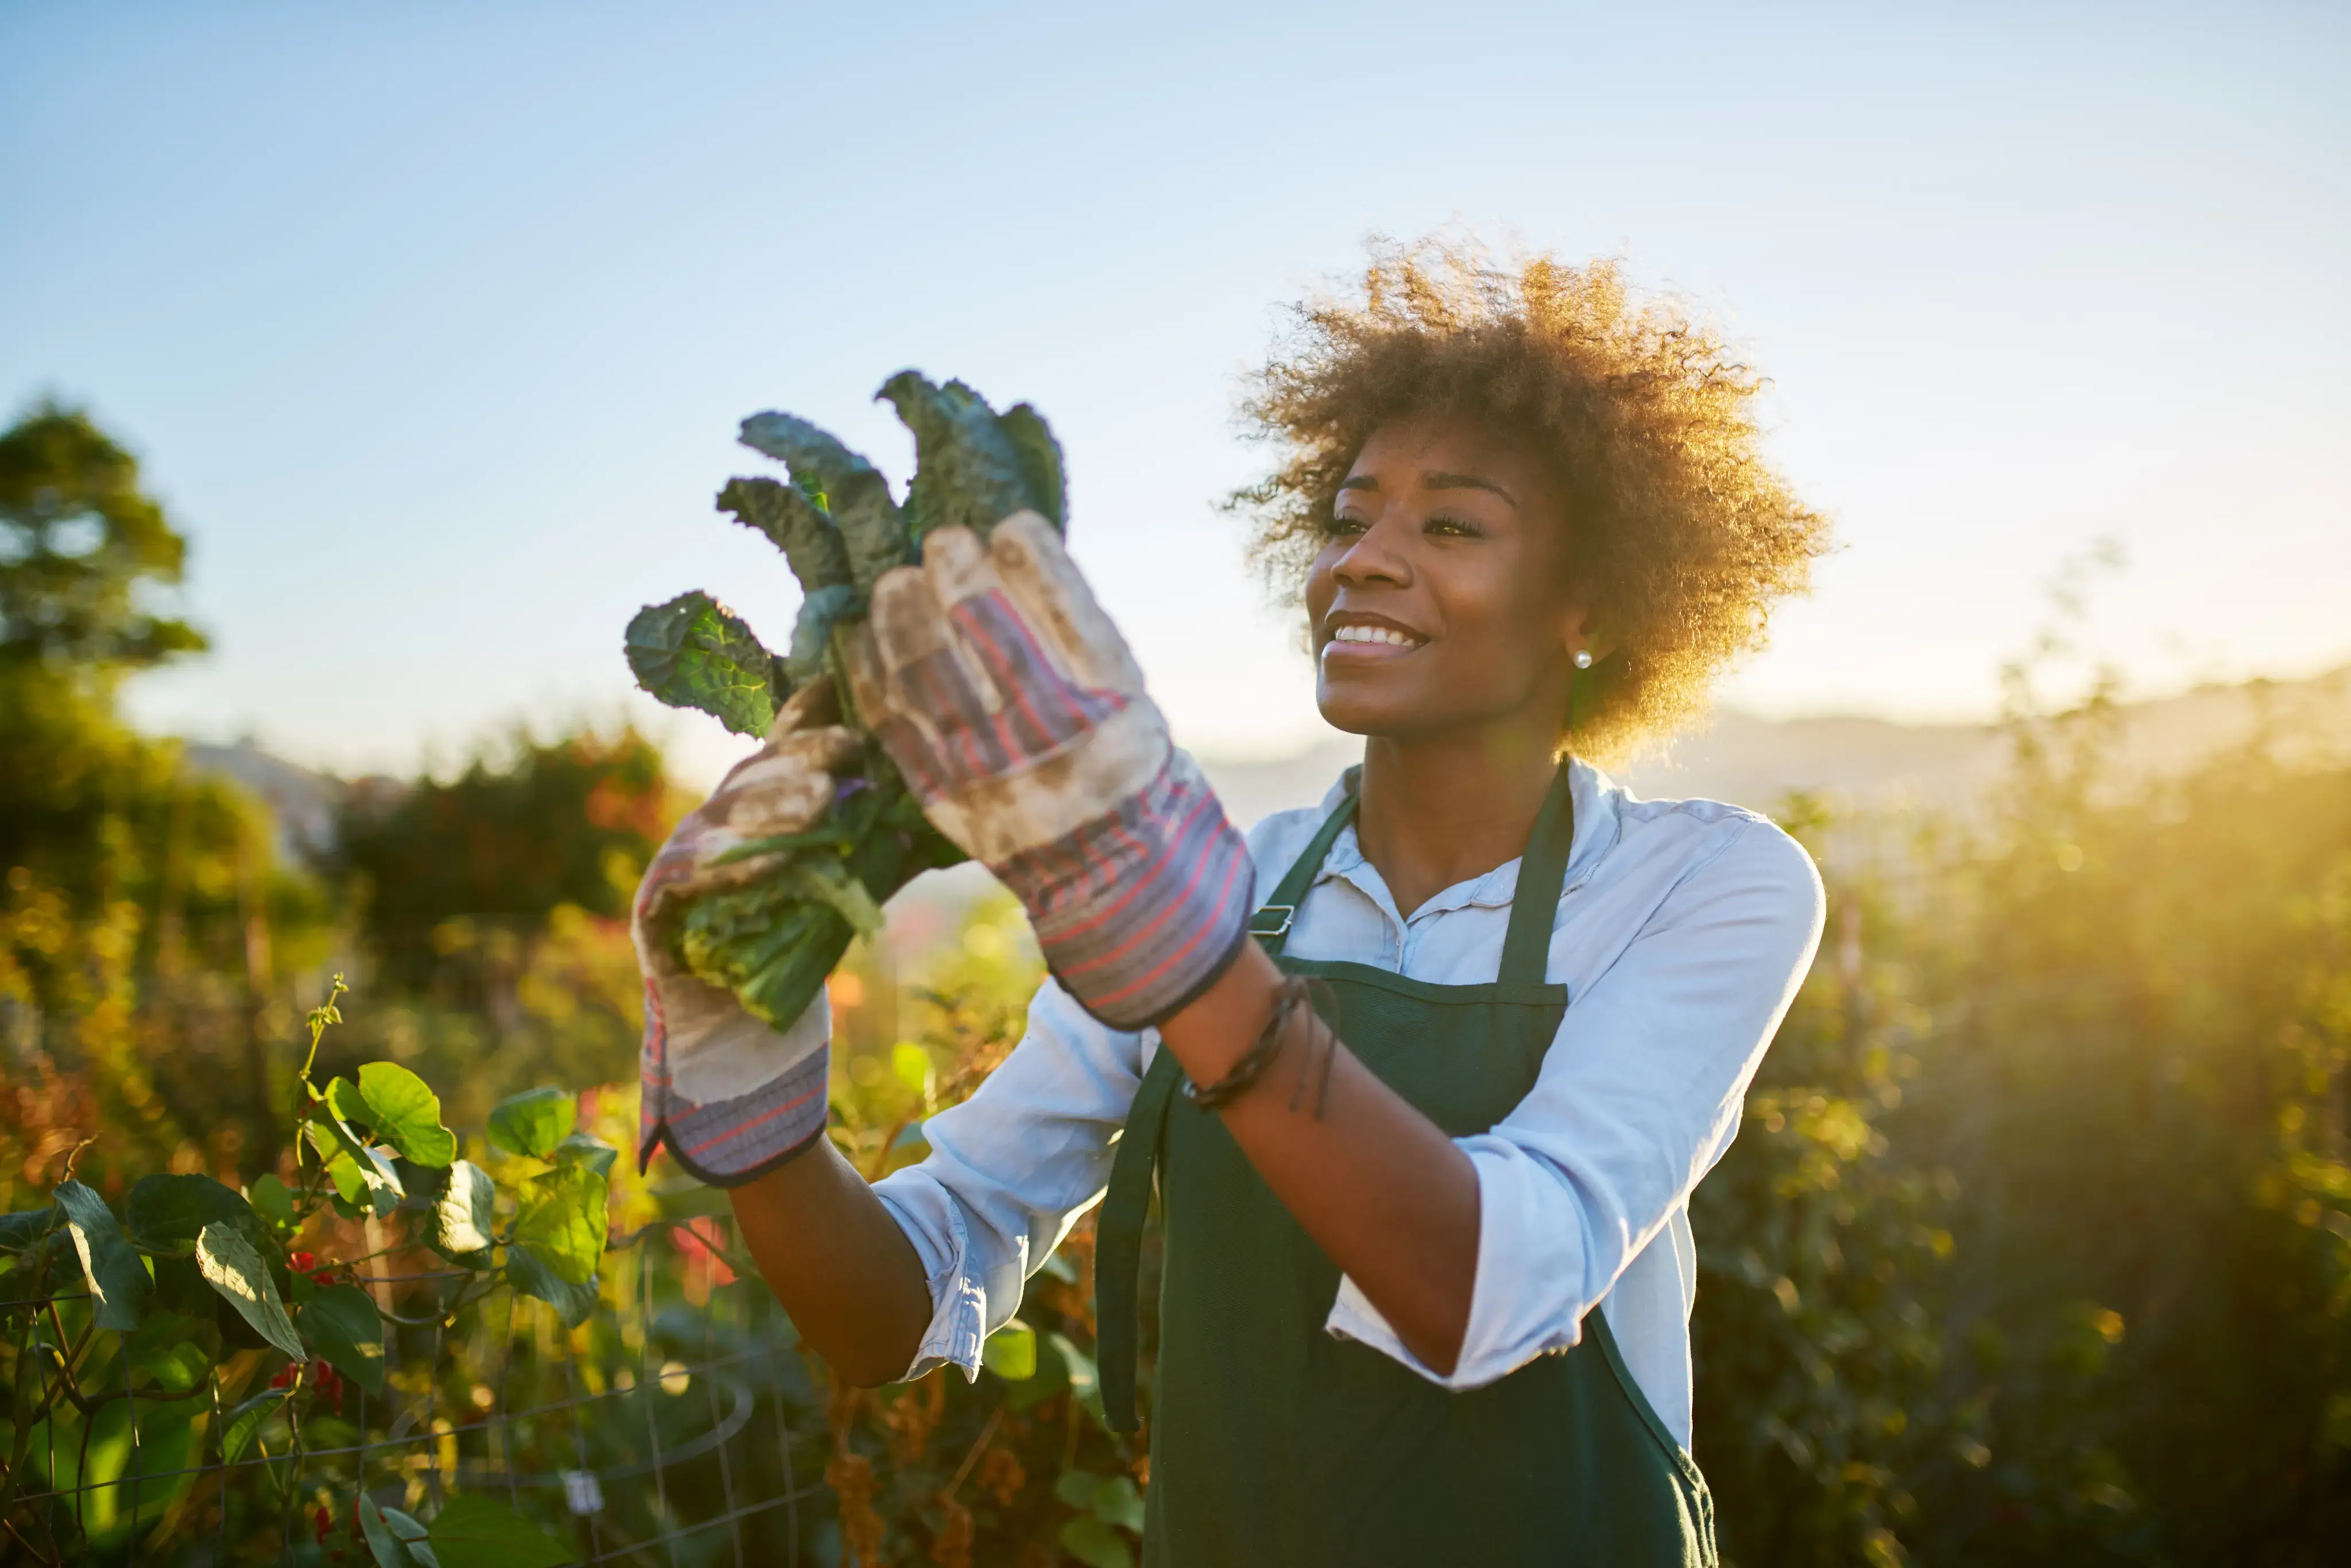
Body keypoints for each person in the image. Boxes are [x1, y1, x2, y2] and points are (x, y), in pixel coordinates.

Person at [633, 240, 1831, 1566]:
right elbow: (897, 1300)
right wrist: (757, 1115)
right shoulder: (1233, 888)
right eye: (1346, 514)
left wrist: (1172, 943)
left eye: (1450, 524)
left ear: (1593, 605)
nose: (1361, 560)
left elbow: (1490, 1287)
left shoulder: (1697, 886)